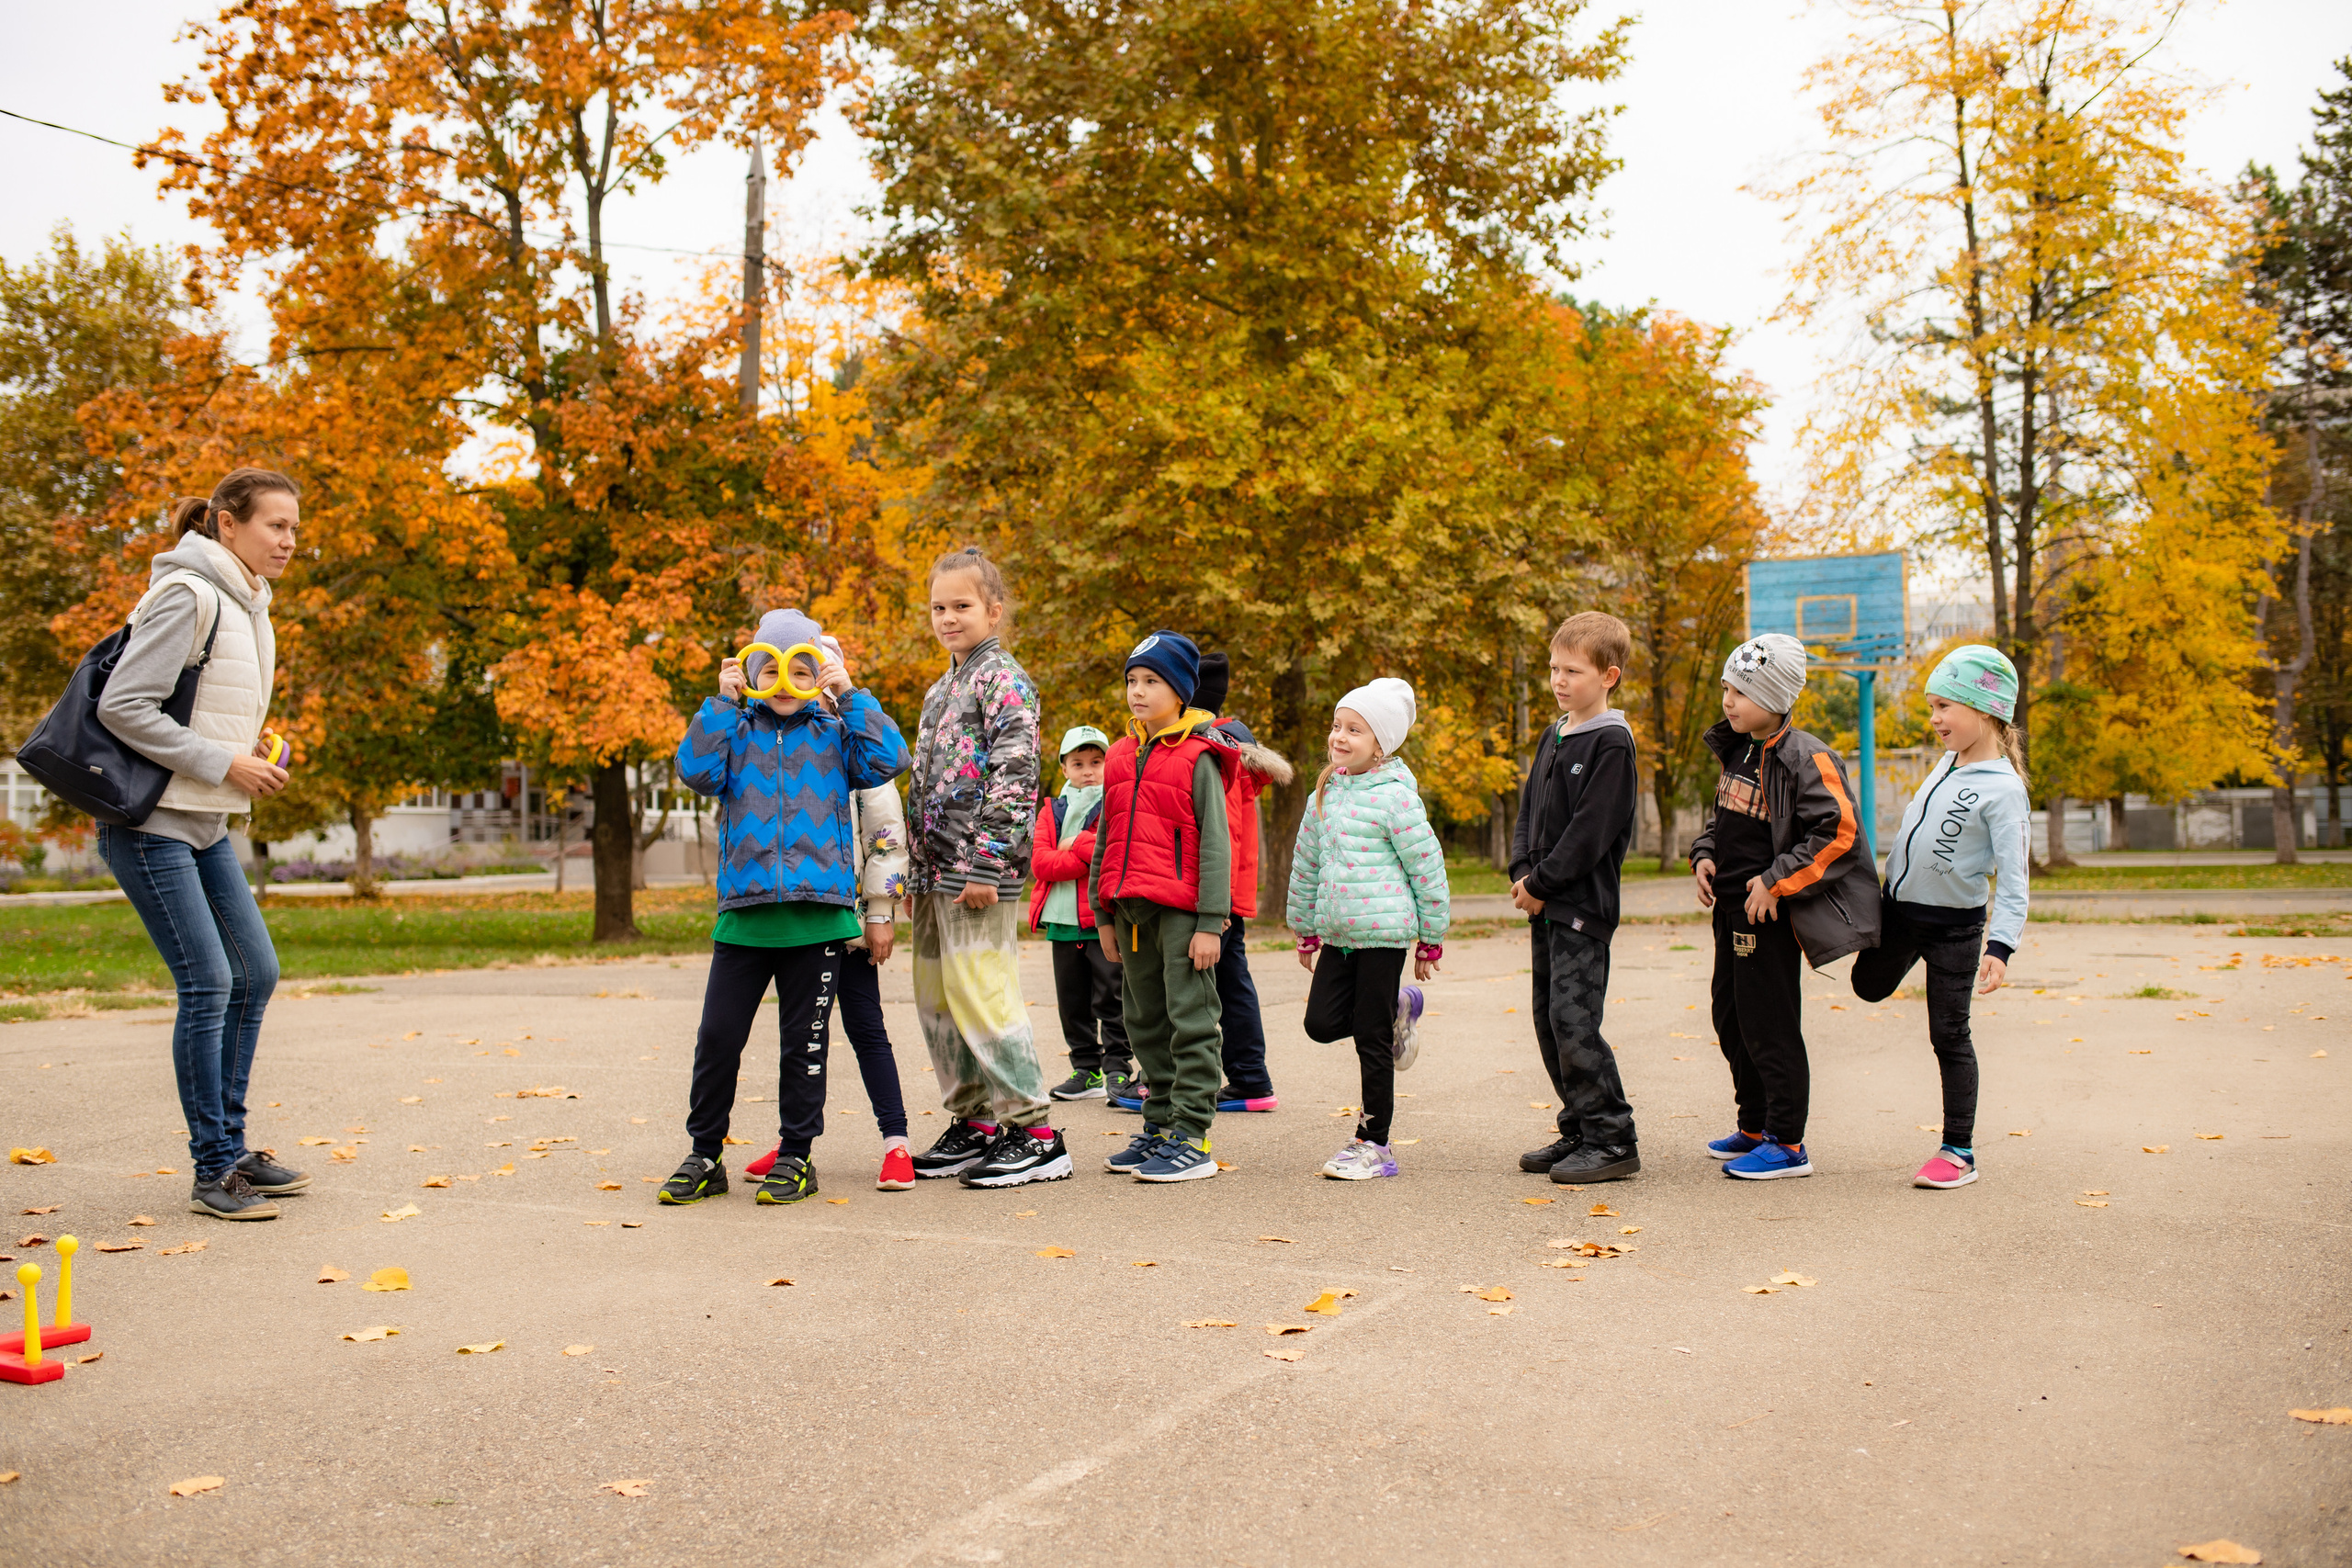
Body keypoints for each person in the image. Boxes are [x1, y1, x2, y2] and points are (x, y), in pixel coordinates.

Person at [95, 468, 303, 1221]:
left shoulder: (250, 604)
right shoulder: (189, 593)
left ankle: (233, 1146)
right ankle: (212, 1168)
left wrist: (252, 749)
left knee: (257, 972)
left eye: (293, 529)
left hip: (204, 818)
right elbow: (123, 704)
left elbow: (203, 712)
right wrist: (225, 761)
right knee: (210, 982)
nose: (287, 541)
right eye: (274, 526)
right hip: (150, 821)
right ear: (225, 524)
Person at [661, 613, 911, 1206]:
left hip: (816, 916)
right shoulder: (735, 730)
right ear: (750, 672)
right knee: (718, 1037)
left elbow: (890, 757)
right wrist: (719, 705)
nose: (783, 680)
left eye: (800, 668)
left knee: (805, 1043)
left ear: (816, 674)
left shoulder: (835, 734)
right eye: (768, 668)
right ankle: (704, 1153)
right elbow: (695, 771)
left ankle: (797, 1155)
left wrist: (848, 691)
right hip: (745, 915)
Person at [1688, 634, 1880, 1181]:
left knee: (1768, 1022)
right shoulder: (1742, 749)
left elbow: (1839, 832)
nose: (1729, 702)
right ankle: (1753, 1125)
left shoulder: (1806, 756)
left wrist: (1775, 881)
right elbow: (1723, 819)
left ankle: (1788, 1141)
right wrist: (1705, 855)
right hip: (1729, 912)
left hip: (1768, 917)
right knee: (1731, 1016)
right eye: (1726, 688)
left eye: (1742, 692)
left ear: (1776, 696)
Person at [905, 547, 1069, 1189]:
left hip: (979, 870)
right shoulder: (941, 687)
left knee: (983, 993)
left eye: (962, 605)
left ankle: (1034, 1130)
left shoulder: (1003, 679)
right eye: (939, 607)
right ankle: (973, 1121)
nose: (948, 617)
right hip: (932, 872)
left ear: (993, 610)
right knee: (938, 1000)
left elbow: (1017, 775)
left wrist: (988, 861)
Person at [1850, 646, 2030, 1190]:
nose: (1935, 720)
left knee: (1949, 1034)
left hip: (1955, 928)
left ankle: (1958, 1152)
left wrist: (2000, 946)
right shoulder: (1946, 764)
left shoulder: (2005, 791)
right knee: (1867, 986)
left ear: (1984, 711)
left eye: (1944, 707)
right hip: (1900, 913)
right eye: (1932, 707)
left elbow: (2016, 879)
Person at [746, 634, 921, 1190]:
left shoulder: (852, 741)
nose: (797, 685)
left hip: (848, 920)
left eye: (810, 673)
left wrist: (879, 911)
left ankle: (897, 1144)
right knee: (802, 1033)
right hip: (802, 919)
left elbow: (887, 836)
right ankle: (793, 1145)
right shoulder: (774, 740)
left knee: (866, 1027)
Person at [1285, 678, 1450, 1180]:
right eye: (1337, 726)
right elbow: (1306, 863)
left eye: (1354, 730)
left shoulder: (1397, 798)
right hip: (1338, 934)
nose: (1339, 736)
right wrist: (1305, 926)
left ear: (1380, 745)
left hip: (1382, 934)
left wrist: (1431, 938)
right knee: (1320, 1024)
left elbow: (1428, 867)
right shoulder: (1326, 790)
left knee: (1370, 1042)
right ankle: (1399, 1008)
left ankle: (1374, 1144)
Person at [1091, 631, 1238, 1183]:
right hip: (1128, 915)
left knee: (1190, 1021)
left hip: (1182, 914)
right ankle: (1159, 1127)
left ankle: (1192, 1135)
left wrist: (1208, 924)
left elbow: (1215, 844)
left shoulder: (1198, 755)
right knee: (1144, 1022)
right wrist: (1102, 913)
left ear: (1179, 691)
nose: (1138, 692)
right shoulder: (1120, 754)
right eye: (1132, 681)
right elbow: (1106, 836)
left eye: (1151, 681)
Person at [1509, 613, 1643, 1183]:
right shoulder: (1556, 732)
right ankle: (1580, 1127)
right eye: (1553, 669)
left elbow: (1590, 833)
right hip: (1545, 903)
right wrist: (1521, 867)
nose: (1560, 680)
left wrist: (1541, 884)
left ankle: (1613, 1139)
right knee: (1548, 1020)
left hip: (1580, 906)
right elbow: (1529, 811)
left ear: (1608, 675)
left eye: (1573, 670)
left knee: (1574, 1020)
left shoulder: (1612, 742)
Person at [1196, 652, 1294, 1114]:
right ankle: (1249, 1078)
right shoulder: (1224, 748)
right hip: (1225, 893)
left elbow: (1226, 832)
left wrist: (1219, 904)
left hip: (1218, 894)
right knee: (1231, 981)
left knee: (1224, 984)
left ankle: (1248, 1079)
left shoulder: (1215, 751)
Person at [1031, 726, 1133, 1100]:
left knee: (1112, 999)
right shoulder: (1050, 810)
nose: (1088, 770)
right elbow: (1041, 863)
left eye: (1096, 761)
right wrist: (1084, 852)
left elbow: (1111, 856)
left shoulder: (1116, 801)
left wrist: (1076, 843)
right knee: (1072, 1003)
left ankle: (1118, 1070)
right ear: (1064, 768)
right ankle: (1085, 1069)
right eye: (1078, 763)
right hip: (1062, 922)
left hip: (1100, 920)